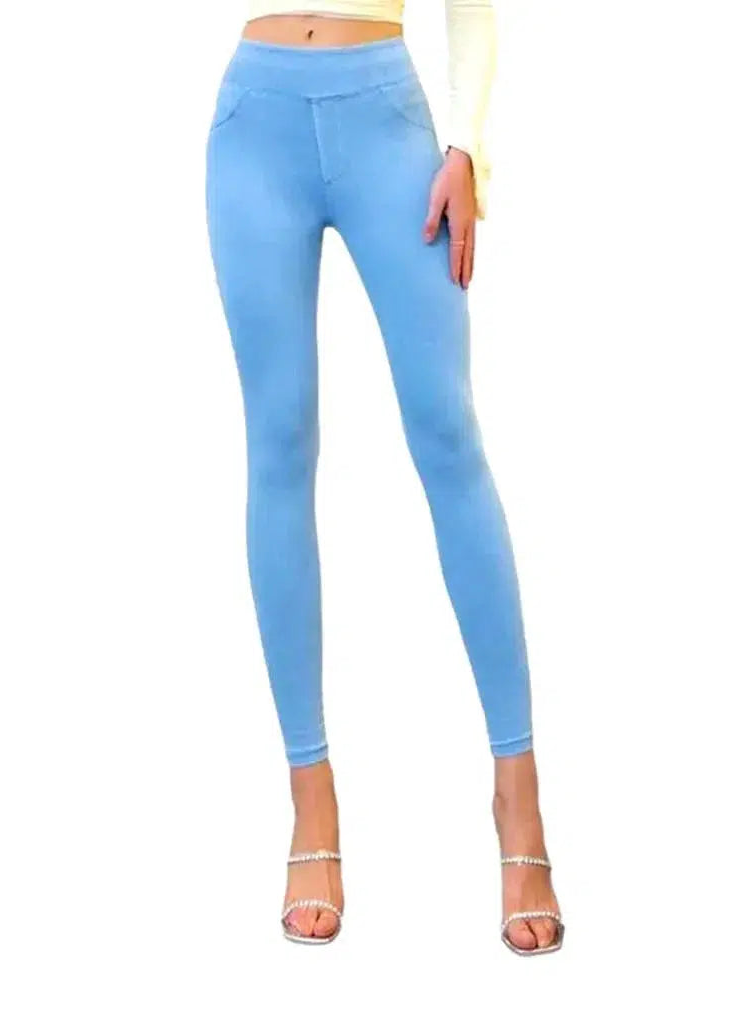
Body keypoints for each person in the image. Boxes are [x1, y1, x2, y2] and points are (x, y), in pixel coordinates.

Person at [206, 2, 563, 955]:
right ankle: (311, 800)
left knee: (447, 434)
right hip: (253, 125)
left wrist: (467, 146)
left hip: (386, 122)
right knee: (279, 442)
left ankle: (518, 797)